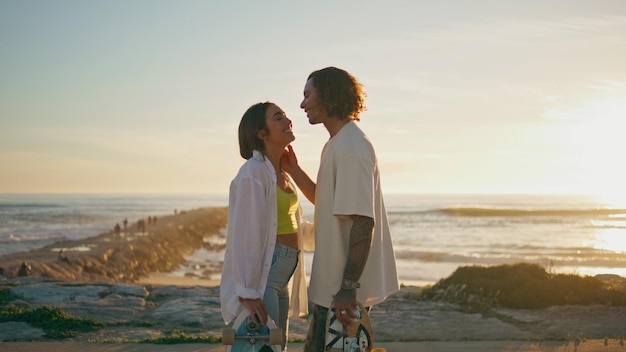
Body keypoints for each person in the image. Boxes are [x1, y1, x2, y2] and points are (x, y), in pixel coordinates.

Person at [282, 66, 399, 352]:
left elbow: (363, 222)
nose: (302, 104)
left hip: (342, 295)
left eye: (307, 95)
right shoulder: (337, 143)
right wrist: (294, 171)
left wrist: (348, 287)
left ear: (329, 96)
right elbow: (328, 201)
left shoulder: (352, 147)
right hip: (332, 290)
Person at [220, 101, 314, 351]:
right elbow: (245, 234)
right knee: (264, 346)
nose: (288, 120)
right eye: (278, 117)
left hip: (281, 275)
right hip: (267, 274)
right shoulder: (254, 172)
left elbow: (291, 223)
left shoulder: (281, 174)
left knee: (276, 344)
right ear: (262, 134)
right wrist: (247, 292)